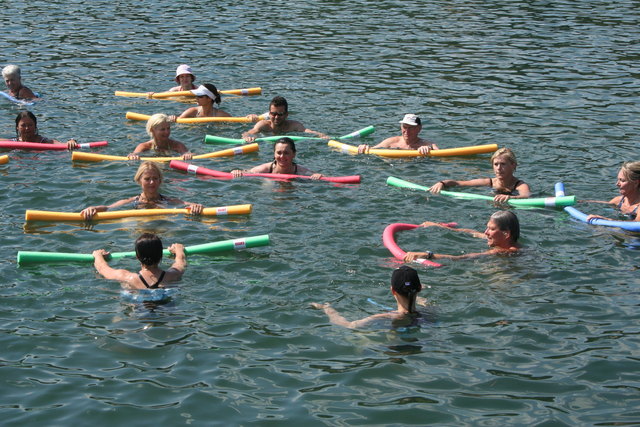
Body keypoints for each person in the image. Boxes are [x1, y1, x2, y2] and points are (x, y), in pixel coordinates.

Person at [81, 161, 203, 219]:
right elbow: (109, 208)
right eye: (147, 179)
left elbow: (188, 205)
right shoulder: (132, 201)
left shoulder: (169, 200)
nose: (152, 182)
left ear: (160, 181)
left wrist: (196, 206)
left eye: (155, 178)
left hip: (162, 226)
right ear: (139, 180)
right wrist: (93, 208)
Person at [311, 265, 423, 329]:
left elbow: (350, 325)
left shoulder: (383, 317)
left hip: (393, 347)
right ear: (420, 288)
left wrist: (327, 309)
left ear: (392, 290)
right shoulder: (430, 313)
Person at [404, 211, 521, 262]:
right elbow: (471, 232)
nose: (486, 232)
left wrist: (427, 255)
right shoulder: (500, 240)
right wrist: (438, 226)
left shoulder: (505, 251)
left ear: (506, 234)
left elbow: (461, 258)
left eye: (491, 229)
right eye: (487, 227)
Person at [429, 147, 531, 203]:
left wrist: (510, 198)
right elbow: (459, 183)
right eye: (496, 164)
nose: (499, 168)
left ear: (513, 165)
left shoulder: (519, 185)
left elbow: (525, 195)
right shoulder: (489, 182)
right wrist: (442, 183)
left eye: (503, 164)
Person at [93, 233, 186, 290]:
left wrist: (98, 255)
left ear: (137, 256)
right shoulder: (172, 274)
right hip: (167, 308)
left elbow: (102, 268)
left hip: (140, 312)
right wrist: (178, 249)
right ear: (161, 255)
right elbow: (180, 261)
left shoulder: (127, 277)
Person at [242, 96, 328, 142]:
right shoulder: (263, 125)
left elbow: (309, 132)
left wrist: (322, 135)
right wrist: (247, 137)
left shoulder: (293, 126)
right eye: (273, 114)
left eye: (280, 114)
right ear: (269, 114)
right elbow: (247, 133)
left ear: (286, 115)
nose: (276, 117)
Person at [231, 137, 323, 179]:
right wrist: (236, 172)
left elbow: (322, 178)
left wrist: (319, 176)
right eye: (279, 153)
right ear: (274, 154)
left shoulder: (301, 171)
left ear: (293, 154)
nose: (282, 157)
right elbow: (247, 173)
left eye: (286, 153)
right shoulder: (265, 169)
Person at [357, 114, 439, 155]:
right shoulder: (391, 142)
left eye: (411, 128)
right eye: (405, 127)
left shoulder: (427, 144)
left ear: (419, 128)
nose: (407, 131)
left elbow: (443, 157)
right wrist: (364, 147)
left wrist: (429, 150)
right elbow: (373, 149)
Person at [128, 113, 193, 160]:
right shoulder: (144, 147)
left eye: (168, 128)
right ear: (152, 130)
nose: (167, 132)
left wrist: (187, 155)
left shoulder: (177, 145)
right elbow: (133, 155)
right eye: (162, 129)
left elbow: (188, 154)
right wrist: (133, 156)